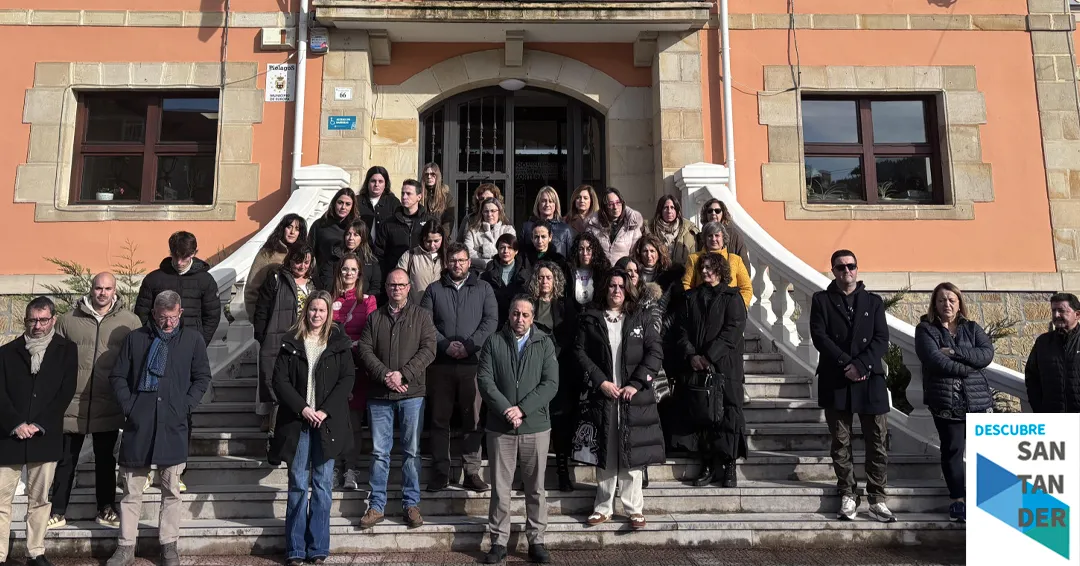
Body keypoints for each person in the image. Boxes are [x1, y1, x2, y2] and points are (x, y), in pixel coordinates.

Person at [106, 290, 212, 566]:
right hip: (139, 425)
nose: (168, 323)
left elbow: (202, 377)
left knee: (172, 491)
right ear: (153, 314)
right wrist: (130, 406)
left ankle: (168, 546)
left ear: (181, 314)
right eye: (163, 318)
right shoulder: (136, 339)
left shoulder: (192, 340)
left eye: (173, 318)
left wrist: (186, 404)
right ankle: (125, 547)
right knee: (131, 492)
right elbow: (117, 375)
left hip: (174, 424)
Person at [573, 270, 665, 530]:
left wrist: (636, 384)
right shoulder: (591, 318)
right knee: (606, 450)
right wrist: (600, 381)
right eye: (612, 285)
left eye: (621, 286)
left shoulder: (641, 317)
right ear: (605, 288)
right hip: (603, 395)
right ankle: (603, 507)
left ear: (628, 290)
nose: (616, 290)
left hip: (632, 398)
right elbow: (580, 352)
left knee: (631, 453)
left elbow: (655, 352)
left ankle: (634, 509)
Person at [269, 291, 355, 566]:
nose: (316, 315)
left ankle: (318, 547)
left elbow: (347, 380)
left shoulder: (339, 343)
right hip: (298, 422)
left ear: (329, 314)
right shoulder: (291, 342)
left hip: (326, 423)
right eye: (312, 310)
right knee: (297, 484)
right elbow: (279, 381)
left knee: (322, 485)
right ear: (305, 312)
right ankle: (295, 547)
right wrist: (303, 408)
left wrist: (323, 410)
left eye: (321, 310)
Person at [808, 250, 894, 523]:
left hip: (870, 378)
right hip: (836, 377)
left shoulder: (874, 301)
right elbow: (819, 336)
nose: (847, 271)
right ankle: (847, 493)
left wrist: (861, 364)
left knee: (877, 442)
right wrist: (847, 362)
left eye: (851, 266)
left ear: (857, 269)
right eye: (840, 267)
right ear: (833, 271)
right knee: (840, 442)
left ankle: (877, 498)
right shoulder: (821, 300)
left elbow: (881, 338)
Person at [50, 273, 140, 530]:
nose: (102, 293)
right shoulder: (69, 320)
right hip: (72, 403)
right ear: (91, 289)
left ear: (115, 291)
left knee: (105, 460)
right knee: (66, 459)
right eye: (98, 288)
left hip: (108, 401)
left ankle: (106, 508)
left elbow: (135, 360)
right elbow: (55, 360)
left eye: (108, 288)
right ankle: (57, 510)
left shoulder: (129, 321)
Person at [477, 296, 559, 565]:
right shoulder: (494, 342)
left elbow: (550, 384)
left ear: (532, 317)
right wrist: (506, 410)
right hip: (500, 428)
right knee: (500, 488)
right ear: (508, 315)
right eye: (515, 314)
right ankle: (499, 541)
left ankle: (536, 540)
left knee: (535, 488)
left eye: (525, 315)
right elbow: (485, 380)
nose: (520, 319)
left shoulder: (544, 343)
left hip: (535, 426)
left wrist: (521, 409)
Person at [356, 269, 437, 529]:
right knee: (380, 453)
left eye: (401, 285)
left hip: (411, 395)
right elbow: (365, 350)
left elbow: (429, 350)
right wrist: (385, 376)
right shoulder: (374, 318)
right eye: (392, 285)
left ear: (409, 287)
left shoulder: (422, 317)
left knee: (411, 452)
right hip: (379, 395)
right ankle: (376, 506)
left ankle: (411, 504)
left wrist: (404, 375)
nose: (396, 289)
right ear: (387, 287)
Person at [0, 297, 77, 566]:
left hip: (45, 435)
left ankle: (35, 552)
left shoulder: (67, 350)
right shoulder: (7, 352)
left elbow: (65, 392)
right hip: (8, 436)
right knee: (1, 500)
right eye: (33, 319)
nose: (38, 325)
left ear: (53, 320)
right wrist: (16, 424)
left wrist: (39, 424)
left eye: (44, 320)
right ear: (26, 321)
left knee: (40, 500)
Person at [420, 243, 499, 492]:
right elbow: (425, 321)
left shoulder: (483, 288)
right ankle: (441, 471)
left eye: (462, 260)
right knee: (439, 420)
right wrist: (444, 344)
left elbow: (491, 321)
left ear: (469, 262)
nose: (457, 264)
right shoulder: (433, 290)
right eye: (453, 260)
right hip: (440, 364)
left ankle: (472, 471)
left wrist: (470, 346)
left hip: (472, 364)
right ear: (447, 262)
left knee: (472, 419)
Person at [915, 283, 994, 523]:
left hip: (978, 400)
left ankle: (987, 500)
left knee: (985, 453)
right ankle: (957, 500)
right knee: (952, 451)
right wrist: (969, 367)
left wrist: (955, 352)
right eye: (941, 300)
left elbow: (987, 354)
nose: (947, 304)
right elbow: (935, 360)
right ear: (934, 304)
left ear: (959, 303)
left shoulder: (971, 328)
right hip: (946, 401)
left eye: (951, 300)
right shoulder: (925, 329)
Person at [672, 253, 748, 488]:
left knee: (729, 415)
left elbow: (732, 331)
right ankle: (706, 465)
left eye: (709, 268)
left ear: (720, 270)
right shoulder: (690, 297)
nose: (704, 272)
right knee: (702, 416)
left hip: (725, 368)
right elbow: (681, 330)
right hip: (698, 369)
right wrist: (692, 355)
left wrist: (709, 356)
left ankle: (729, 466)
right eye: (702, 268)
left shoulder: (732, 298)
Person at [253, 246, 316, 432]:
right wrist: (261, 335)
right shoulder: (276, 278)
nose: (302, 266)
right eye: (298, 261)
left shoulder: (313, 282)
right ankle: (275, 439)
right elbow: (262, 308)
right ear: (289, 260)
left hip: (307, 342)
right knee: (278, 389)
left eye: (306, 262)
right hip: (280, 340)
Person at [526, 261, 576, 492]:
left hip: (561, 369)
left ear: (555, 280)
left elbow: (570, 336)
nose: (544, 281)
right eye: (541, 277)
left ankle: (563, 472)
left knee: (560, 422)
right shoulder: (528, 305)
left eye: (548, 277)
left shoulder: (565, 305)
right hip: (533, 370)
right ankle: (533, 474)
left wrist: (554, 355)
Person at [330, 254, 378, 491]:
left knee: (353, 422)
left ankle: (350, 469)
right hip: (331, 370)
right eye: (344, 269)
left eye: (353, 270)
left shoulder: (368, 301)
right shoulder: (328, 299)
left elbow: (371, 333)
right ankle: (334, 467)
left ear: (359, 274)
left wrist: (352, 344)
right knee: (333, 420)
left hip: (357, 368)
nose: (348, 273)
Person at [134, 230, 221, 346]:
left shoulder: (206, 280)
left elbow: (212, 315)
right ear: (170, 252)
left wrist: (201, 343)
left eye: (184, 257)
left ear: (194, 253)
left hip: (192, 344)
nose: (179, 262)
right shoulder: (153, 279)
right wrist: (151, 339)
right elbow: (141, 313)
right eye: (175, 256)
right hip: (158, 342)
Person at [244, 213, 307, 320]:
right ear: (283, 229)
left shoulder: (305, 255)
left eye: (297, 229)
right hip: (273, 319)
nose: (292, 232)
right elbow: (252, 289)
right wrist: (257, 319)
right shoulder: (267, 253)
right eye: (289, 227)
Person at [1025, 292, 1080, 413]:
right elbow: (1032, 377)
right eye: (1053, 310)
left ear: (1077, 314)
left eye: (1061, 310)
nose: (1056, 315)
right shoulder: (1043, 343)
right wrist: (1040, 409)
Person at [374, 179, 436, 280]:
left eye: (408, 194)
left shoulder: (430, 222)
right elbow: (379, 253)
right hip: (395, 279)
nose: (404, 197)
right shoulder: (389, 223)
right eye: (402, 193)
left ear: (419, 197)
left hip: (422, 277)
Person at [682, 222, 752, 308]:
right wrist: (694, 306)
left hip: (730, 312)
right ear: (705, 239)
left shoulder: (735, 260)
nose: (713, 239)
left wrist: (737, 307)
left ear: (723, 238)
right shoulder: (694, 259)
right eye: (710, 236)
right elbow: (686, 285)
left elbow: (746, 288)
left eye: (717, 235)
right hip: (702, 311)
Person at [321, 218, 383, 303]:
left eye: (356, 235)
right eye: (348, 234)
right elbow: (327, 281)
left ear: (363, 237)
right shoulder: (334, 257)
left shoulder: (371, 260)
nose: (351, 238)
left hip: (362, 304)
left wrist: (363, 299)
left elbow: (376, 287)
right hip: (337, 302)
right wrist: (338, 294)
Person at [309, 187, 359, 283]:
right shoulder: (320, 225)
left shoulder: (357, 227)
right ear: (334, 203)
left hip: (349, 278)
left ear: (352, 207)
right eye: (340, 203)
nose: (343, 207)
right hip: (324, 277)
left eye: (348, 204)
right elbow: (310, 251)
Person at [584, 188, 643, 263]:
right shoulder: (593, 225)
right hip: (600, 271)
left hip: (623, 272)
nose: (615, 207)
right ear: (604, 207)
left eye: (618, 202)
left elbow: (636, 254)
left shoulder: (632, 225)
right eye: (611, 204)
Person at [480, 234, 529, 323]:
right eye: (502, 247)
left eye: (510, 248)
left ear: (516, 251)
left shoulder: (525, 271)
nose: (506, 251)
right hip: (495, 318)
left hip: (519, 319)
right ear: (498, 250)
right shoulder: (489, 271)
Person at [397, 222, 448, 304]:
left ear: (442, 238)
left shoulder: (448, 257)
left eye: (436, 241)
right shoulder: (410, 255)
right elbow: (398, 281)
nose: (432, 245)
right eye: (428, 241)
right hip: (416, 308)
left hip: (441, 307)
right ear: (422, 239)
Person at [644, 194, 698, 268]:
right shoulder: (650, 230)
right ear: (660, 210)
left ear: (677, 210)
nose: (669, 211)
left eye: (672, 207)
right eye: (666, 208)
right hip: (658, 274)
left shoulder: (688, 229)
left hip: (682, 274)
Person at [464, 197, 516, 271]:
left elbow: (510, 251)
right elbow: (467, 253)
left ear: (499, 212)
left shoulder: (508, 230)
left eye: (493, 211)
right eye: (486, 211)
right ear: (482, 213)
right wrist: (485, 259)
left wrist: (482, 250)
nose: (489, 214)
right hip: (479, 272)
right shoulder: (473, 231)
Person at [566, 232, 610, 316]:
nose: (585, 253)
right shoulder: (568, 270)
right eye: (581, 249)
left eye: (588, 249)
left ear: (594, 251)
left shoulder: (602, 272)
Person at [522, 186, 574, 256]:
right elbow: (520, 255)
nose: (547, 204)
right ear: (538, 204)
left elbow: (570, 258)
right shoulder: (527, 227)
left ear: (555, 205)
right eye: (543, 201)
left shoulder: (565, 230)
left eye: (551, 201)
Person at [355, 166, 401, 245]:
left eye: (380, 181)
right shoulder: (357, 201)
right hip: (361, 248)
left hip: (385, 250)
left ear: (385, 184)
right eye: (373, 181)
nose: (376, 184)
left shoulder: (393, 202)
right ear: (367, 182)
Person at [422, 162, 455, 235]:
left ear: (438, 176)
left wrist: (440, 236)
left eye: (432, 174)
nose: (429, 177)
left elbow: (448, 222)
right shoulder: (419, 196)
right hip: (422, 237)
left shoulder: (447, 197)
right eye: (426, 174)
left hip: (440, 239)